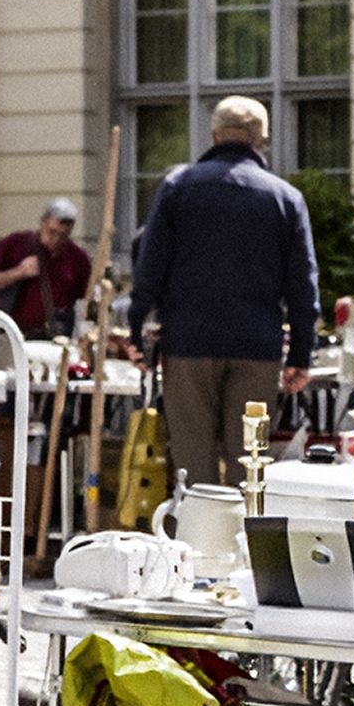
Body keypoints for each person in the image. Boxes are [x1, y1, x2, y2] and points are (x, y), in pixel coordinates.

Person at [128, 96, 320, 487]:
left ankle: (194, 545)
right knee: (248, 466)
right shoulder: (285, 198)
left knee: (193, 463)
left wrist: (135, 332)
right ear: (260, 140)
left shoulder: (177, 187)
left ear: (214, 136)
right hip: (257, 347)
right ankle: (243, 546)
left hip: (187, 344)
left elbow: (149, 268)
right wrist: (301, 352)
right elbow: (303, 284)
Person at [0, 197, 91, 337]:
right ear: (42, 222)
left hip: (55, 335)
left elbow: (83, 301)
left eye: (63, 235)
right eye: (52, 232)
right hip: (13, 334)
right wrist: (18, 272)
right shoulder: (15, 244)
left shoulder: (77, 258)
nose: (56, 240)